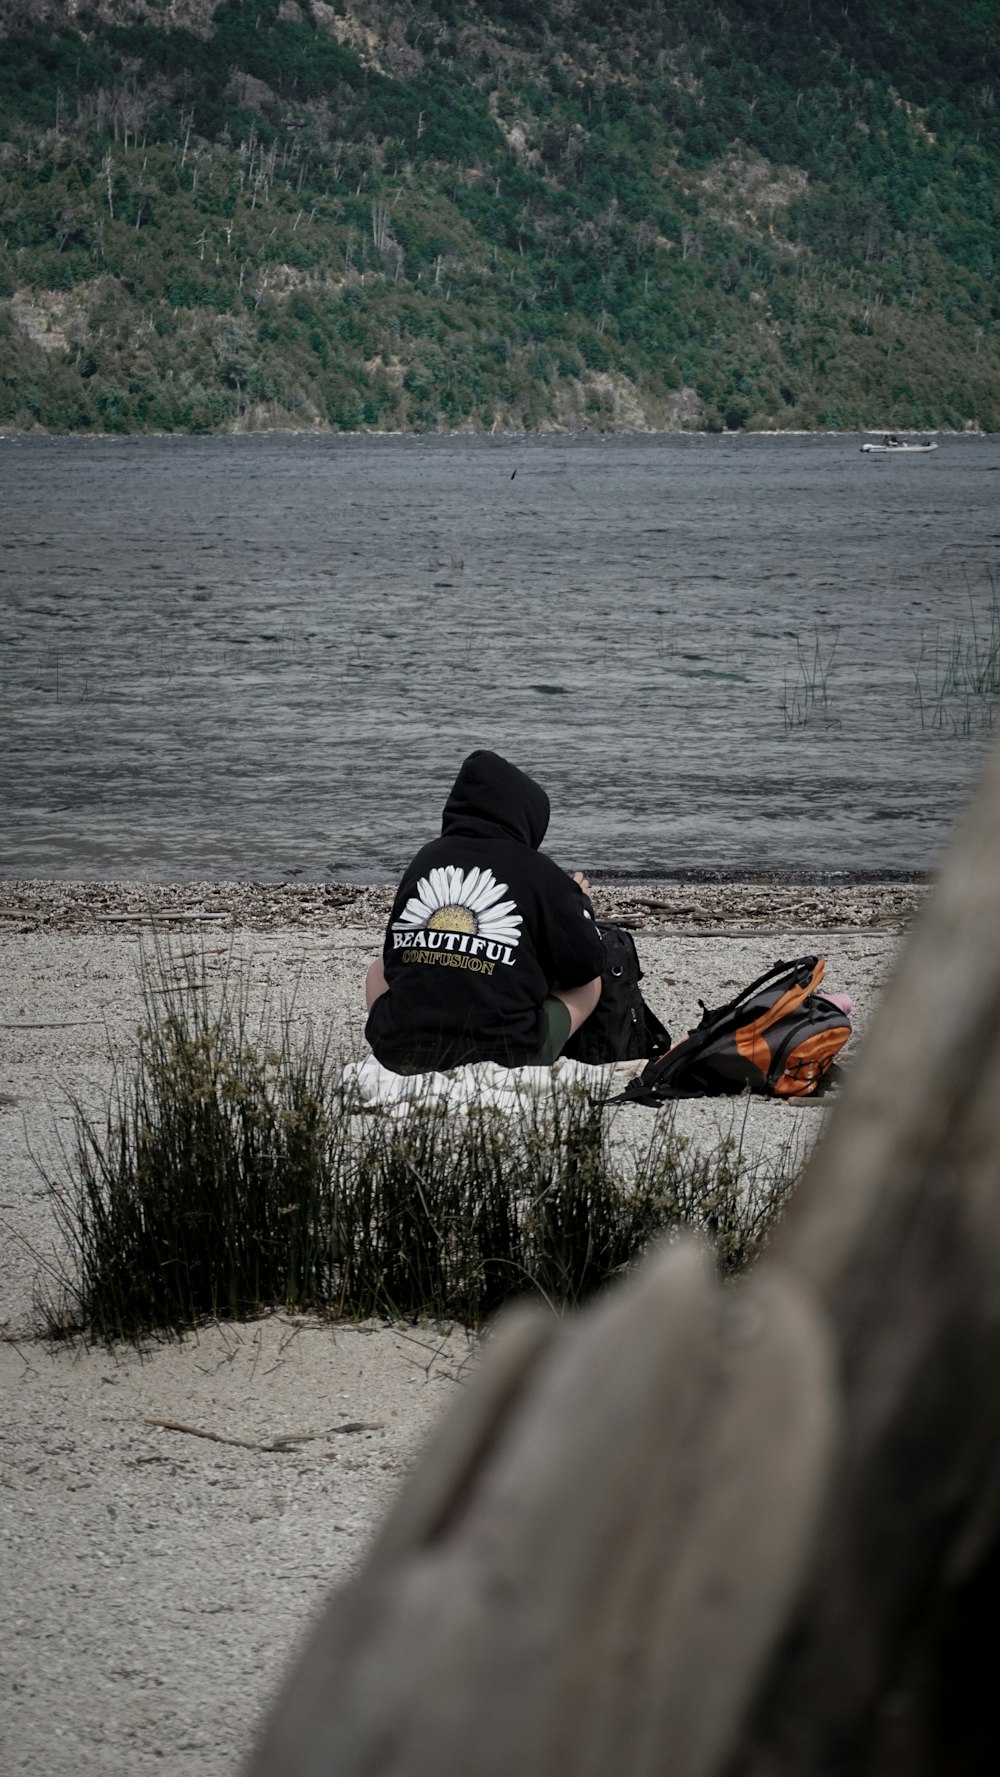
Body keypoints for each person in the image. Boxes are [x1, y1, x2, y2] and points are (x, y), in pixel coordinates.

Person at [364, 750, 604, 1073]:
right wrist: (579, 902)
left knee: (377, 969)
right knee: (592, 983)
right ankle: (537, 1053)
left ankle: (401, 1038)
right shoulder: (539, 872)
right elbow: (587, 962)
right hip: (507, 1053)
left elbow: (393, 955)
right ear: (525, 816)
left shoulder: (425, 860)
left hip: (400, 1050)